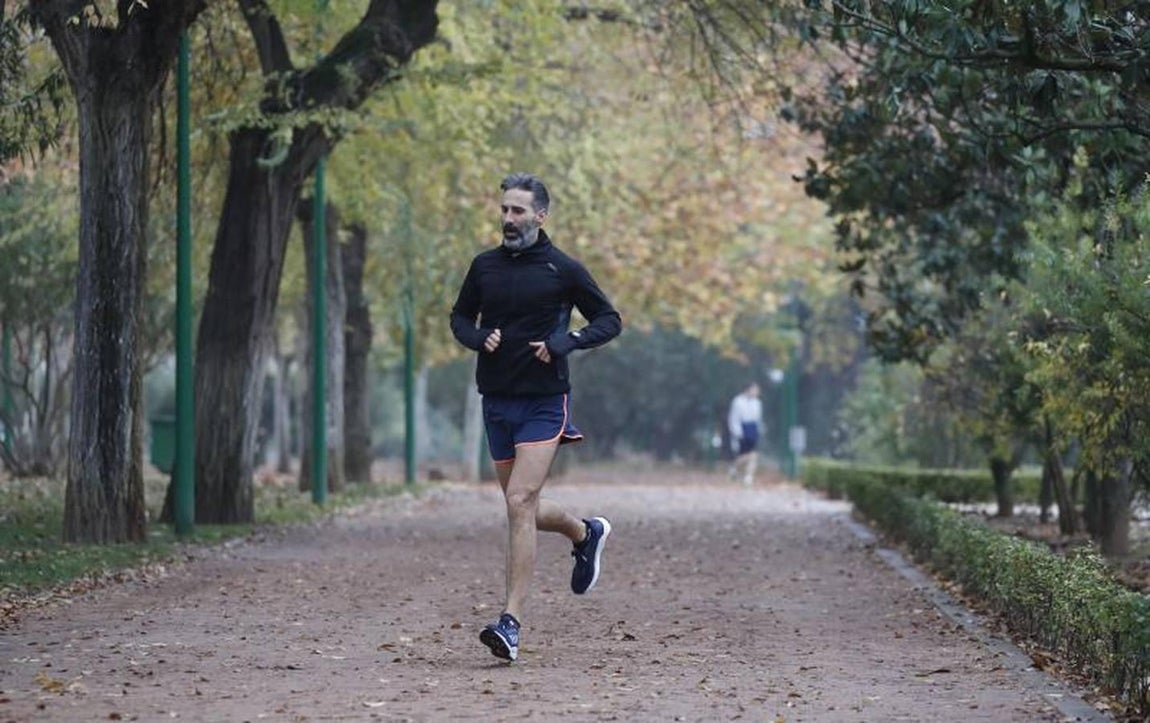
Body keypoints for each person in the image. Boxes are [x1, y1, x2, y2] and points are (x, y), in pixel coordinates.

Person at [449, 172, 623, 662]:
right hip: (497, 399)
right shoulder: (483, 267)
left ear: (540, 216)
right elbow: (460, 318)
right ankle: (584, 532)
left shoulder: (562, 269)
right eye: (504, 209)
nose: (508, 218)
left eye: (518, 211)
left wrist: (566, 342)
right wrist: (477, 337)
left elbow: (609, 320)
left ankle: (511, 622)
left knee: (521, 499)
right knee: (518, 503)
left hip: (545, 401)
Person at [727, 382, 763, 486]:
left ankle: (748, 477)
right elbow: (734, 418)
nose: (756, 392)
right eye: (754, 390)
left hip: (753, 429)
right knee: (745, 456)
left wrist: (758, 430)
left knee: (754, 455)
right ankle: (734, 467)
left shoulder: (757, 403)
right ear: (748, 390)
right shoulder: (738, 401)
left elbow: (758, 419)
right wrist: (737, 432)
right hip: (742, 429)